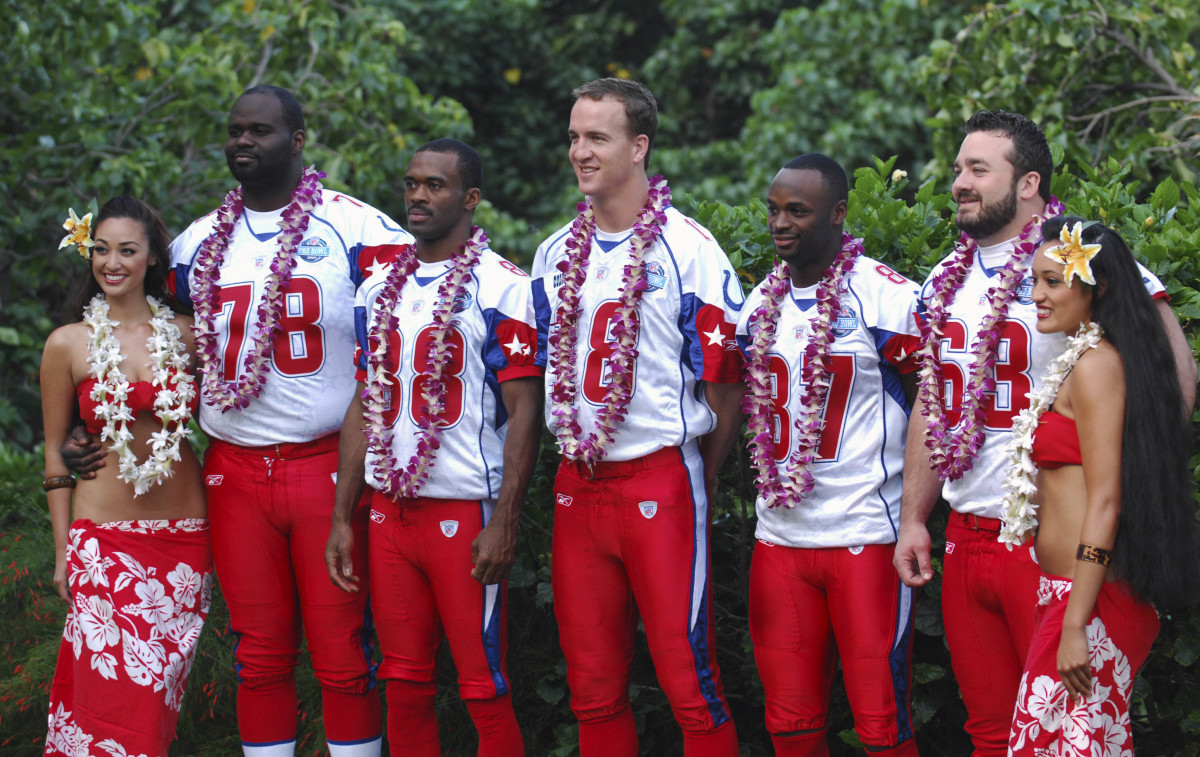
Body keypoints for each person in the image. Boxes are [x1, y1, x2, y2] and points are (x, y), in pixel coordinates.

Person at [62, 86, 414, 756]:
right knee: (259, 654)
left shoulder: (357, 228)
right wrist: (92, 418)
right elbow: (133, 330)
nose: (243, 142)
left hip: (323, 464)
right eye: (234, 131)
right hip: (234, 469)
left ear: (299, 140)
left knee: (342, 653)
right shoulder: (197, 244)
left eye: (260, 131)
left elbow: (428, 303)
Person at [892, 110, 1196, 756]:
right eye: (956, 170)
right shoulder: (942, 280)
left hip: (1044, 540)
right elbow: (933, 400)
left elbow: (1173, 376)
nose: (960, 183)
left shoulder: (1079, 256)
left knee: (1072, 735)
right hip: (967, 533)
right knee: (994, 733)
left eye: (979, 169)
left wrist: (1132, 505)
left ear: (1028, 182)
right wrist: (914, 515)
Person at [531, 78, 745, 756]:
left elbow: (726, 383)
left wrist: (691, 472)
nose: (580, 152)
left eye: (598, 137)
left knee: (689, 680)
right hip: (577, 481)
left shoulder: (690, 249)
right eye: (574, 137)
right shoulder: (553, 253)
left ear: (639, 146)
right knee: (592, 688)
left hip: (659, 477)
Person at [324, 138, 541, 757]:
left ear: (470, 198)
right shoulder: (377, 289)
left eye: (435, 185)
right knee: (404, 684)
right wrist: (344, 514)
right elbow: (364, 404)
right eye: (412, 182)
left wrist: (505, 519)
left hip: (463, 508)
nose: (418, 195)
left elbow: (527, 410)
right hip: (391, 513)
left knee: (482, 686)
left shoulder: (504, 286)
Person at [737, 155, 922, 757]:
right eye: (773, 209)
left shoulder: (886, 296)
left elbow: (935, 405)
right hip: (779, 539)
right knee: (789, 724)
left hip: (864, 535)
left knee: (880, 722)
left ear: (839, 214)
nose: (780, 222)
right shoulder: (758, 304)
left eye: (797, 210)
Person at [1002, 217, 1200, 754]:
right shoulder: (1080, 361)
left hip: (1089, 603)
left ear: (1098, 287)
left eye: (1052, 282)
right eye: (1034, 281)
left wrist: (1074, 623)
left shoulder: (1095, 367)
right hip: (1067, 596)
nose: (1037, 295)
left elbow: (1106, 501)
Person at [41, 197, 213, 757]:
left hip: (183, 544)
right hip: (102, 543)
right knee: (106, 706)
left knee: (155, 708)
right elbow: (52, 454)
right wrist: (64, 548)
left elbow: (233, 418)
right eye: (100, 250)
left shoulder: (190, 336)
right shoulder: (68, 343)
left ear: (153, 260)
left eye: (127, 250)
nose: (111, 262)